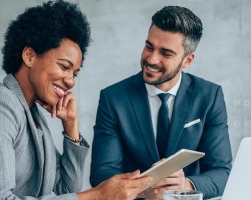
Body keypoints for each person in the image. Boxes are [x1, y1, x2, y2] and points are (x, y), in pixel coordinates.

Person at [0, 1, 152, 199]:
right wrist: (98, 196)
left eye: (75, 73)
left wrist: (71, 127)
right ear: (29, 56)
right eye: (64, 67)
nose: (71, 81)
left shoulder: (32, 116)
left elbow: (65, 191)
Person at [90, 5, 233, 200]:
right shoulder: (113, 98)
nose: (151, 59)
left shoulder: (210, 96)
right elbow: (101, 173)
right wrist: (143, 188)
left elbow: (222, 172)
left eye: (165, 53)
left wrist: (185, 185)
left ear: (187, 60)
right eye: (149, 46)